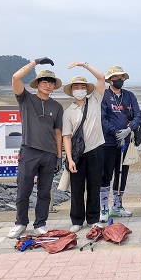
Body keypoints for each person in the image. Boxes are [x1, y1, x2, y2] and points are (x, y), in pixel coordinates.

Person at [7, 59, 63, 239]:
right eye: (44, 81)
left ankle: (40, 223)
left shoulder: (57, 106)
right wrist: (35, 62)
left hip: (49, 154)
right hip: (29, 151)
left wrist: (59, 156)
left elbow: (58, 132)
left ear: (54, 86)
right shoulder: (25, 98)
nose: (48, 85)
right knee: (23, 189)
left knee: (45, 192)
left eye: (51, 82)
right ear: (37, 84)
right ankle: (20, 223)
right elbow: (16, 77)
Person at [61, 63, 106, 232]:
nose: (79, 89)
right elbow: (66, 136)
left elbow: (101, 78)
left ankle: (93, 218)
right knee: (77, 189)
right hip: (77, 155)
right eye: (76, 87)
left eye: (82, 86)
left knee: (94, 186)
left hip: (96, 150)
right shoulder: (68, 112)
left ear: (87, 89)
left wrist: (83, 65)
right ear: (71, 90)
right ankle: (77, 220)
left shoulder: (95, 99)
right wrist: (70, 158)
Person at [100, 65, 141, 221]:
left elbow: (138, 116)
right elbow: (102, 117)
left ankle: (117, 205)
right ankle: (104, 208)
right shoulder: (104, 96)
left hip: (126, 142)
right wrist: (114, 131)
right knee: (106, 174)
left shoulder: (129, 96)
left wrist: (128, 129)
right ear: (109, 80)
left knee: (122, 173)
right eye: (115, 78)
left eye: (120, 78)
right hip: (108, 142)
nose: (118, 80)